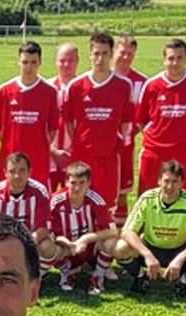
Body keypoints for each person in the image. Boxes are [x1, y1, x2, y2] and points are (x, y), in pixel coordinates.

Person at [116, 159, 186, 298]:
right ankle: (141, 277)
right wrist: (147, 255)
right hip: (150, 247)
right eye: (166, 181)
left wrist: (180, 258)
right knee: (120, 248)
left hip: (178, 249)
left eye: (175, 181)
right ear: (159, 181)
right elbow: (127, 232)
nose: (169, 186)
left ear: (182, 183)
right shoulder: (148, 198)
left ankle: (183, 283)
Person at [62, 31, 135, 213]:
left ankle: (104, 232)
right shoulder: (76, 86)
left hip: (107, 157)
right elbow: (69, 122)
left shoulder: (124, 85)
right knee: (78, 203)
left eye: (104, 53)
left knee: (106, 207)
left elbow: (126, 122)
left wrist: (112, 141)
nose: (100, 59)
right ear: (90, 55)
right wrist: (81, 142)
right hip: (82, 156)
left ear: (111, 54)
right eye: (96, 53)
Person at [135, 39, 186, 193]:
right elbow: (141, 120)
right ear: (164, 60)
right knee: (149, 196)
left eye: (179, 58)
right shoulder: (152, 85)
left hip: (183, 151)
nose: (175, 63)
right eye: (171, 58)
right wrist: (157, 136)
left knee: (182, 196)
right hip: (154, 151)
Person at [43, 161, 119, 294]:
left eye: (82, 182)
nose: (77, 188)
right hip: (67, 249)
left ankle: (98, 276)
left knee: (111, 242)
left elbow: (112, 231)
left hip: (91, 249)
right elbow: (51, 233)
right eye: (73, 183)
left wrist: (85, 239)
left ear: (89, 183)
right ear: (66, 182)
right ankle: (67, 272)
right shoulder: (55, 201)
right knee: (48, 246)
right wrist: (70, 244)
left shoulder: (95, 199)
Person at [0, 41, 59, 182]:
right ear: (18, 62)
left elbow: (52, 129)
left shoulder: (50, 92)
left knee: (36, 195)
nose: (29, 67)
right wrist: (11, 144)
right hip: (10, 157)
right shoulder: (4, 91)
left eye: (33, 62)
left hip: (37, 160)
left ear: (40, 62)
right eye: (25, 62)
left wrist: (39, 145)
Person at [0, 151, 52, 257]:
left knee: (47, 246)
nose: (17, 176)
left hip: (31, 242)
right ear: (5, 173)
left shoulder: (40, 192)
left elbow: (43, 229)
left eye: (22, 170)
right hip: (4, 242)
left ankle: (37, 267)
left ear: (29, 172)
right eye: (12, 171)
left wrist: (26, 243)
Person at [112, 34, 148, 226]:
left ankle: (120, 233)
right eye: (122, 53)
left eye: (130, 54)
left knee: (123, 193)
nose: (126, 57)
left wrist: (131, 132)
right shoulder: (103, 77)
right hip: (102, 145)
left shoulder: (142, 82)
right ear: (114, 52)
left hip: (126, 145)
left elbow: (146, 116)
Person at [48, 42, 81, 189]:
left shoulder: (84, 88)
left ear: (78, 60)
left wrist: (74, 150)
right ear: (56, 61)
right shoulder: (46, 88)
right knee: (47, 198)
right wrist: (53, 151)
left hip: (76, 156)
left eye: (71, 60)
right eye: (62, 60)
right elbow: (39, 125)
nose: (66, 64)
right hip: (48, 156)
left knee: (74, 198)